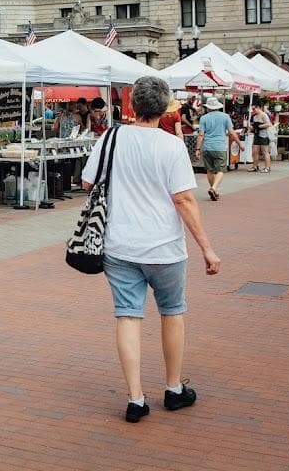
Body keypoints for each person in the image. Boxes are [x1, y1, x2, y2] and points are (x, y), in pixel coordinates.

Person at [81, 76, 221, 424]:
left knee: (128, 315)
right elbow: (184, 200)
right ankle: (173, 389)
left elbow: (88, 182)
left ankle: (135, 397)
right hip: (164, 248)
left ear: (132, 106)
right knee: (172, 312)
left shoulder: (110, 138)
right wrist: (207, 248)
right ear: (166, 108)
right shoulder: (171, 147)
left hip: (119, 243)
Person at [194, 97, 240, 201]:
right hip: (220, 147)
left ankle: (214, 190)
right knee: (220, 170)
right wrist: (239, 144)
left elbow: (201, 134)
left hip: (207, 147)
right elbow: (232, 132)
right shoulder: (225, 117)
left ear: (208, 107)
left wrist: (197, 149)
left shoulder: (203, 118)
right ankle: (214, 188)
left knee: (210, 170)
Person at [249, 102, 273, 172]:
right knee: (255, 151)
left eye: (254, 109)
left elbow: (269, 124)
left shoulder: (264, 115)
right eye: (252, 109)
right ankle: (255, 166)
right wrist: (251, 127)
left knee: (265, 151)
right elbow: (253, 126)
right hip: (257, 135)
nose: (253, 110)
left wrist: (259, 126)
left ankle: (267, 167)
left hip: (264, 135)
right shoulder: (255, 116)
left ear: (258, 107)